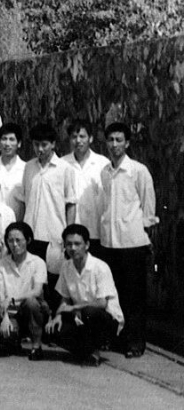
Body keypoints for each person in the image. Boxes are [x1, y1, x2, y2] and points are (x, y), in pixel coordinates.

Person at [96, 122, 157, 358]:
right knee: (115, 293)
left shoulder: (138, 171)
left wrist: (145, 233)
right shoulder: (105, 172)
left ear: (127, 143)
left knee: (134, 296)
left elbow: (148, 206)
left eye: (119, 140)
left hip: (132, 242)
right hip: (109, 243)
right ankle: (116, 338)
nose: (114, 145)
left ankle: (135, 342)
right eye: (110, 140)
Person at [46, 223, 124, 366]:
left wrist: (75, 307)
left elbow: (102, 303)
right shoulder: (66, 266)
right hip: (81, 317)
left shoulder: (100, 267)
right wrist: (58, 316)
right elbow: (64, 298)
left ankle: (94, 352)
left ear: (87, 245)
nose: (73, 248)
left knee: (89, 312)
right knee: (53, 330)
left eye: (77, 244)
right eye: (69, 244)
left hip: (106, 319)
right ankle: (84, 349)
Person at [13, 123, 76, 278]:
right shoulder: (29, 167)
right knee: (30, 279)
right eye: (36, 144)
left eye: (44, 145)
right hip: (30, 236)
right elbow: (23, 201)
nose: (40, 149)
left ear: (53, 144)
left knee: (54, 280)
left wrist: (69, 236)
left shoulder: (64, 168)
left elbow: (71, 204)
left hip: (55, 237)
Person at [0, 221, 48, 359]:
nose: (14, 244)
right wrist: (5, 317)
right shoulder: (2, 264)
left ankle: (36, 346)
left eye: (18, 240)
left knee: (31, 302)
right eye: (10, 240)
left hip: (32, 309)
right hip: (11, 311)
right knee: (7, 334)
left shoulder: (38, 262)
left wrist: (13, 298)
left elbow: (37, 291)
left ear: (28, 240)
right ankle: (15, 340)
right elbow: (1, 297)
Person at [61, 120, 109, 239]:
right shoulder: (62, 164)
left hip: (97, 231)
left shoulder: (103, 164)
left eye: (82, 136)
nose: (78, 141)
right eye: (74, 137)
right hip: (71, 232)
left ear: (90, 138)